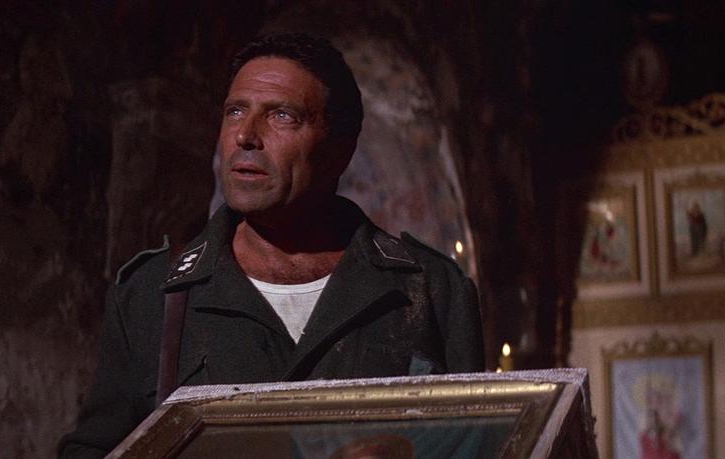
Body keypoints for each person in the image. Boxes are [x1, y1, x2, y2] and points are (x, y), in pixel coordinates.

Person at [58, 32, 484, 459]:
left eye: (282, 115)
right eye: (235, 111)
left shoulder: (429, 291)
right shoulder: (153, 293)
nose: (245, 135)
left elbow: (478, 443)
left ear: (341, 148)